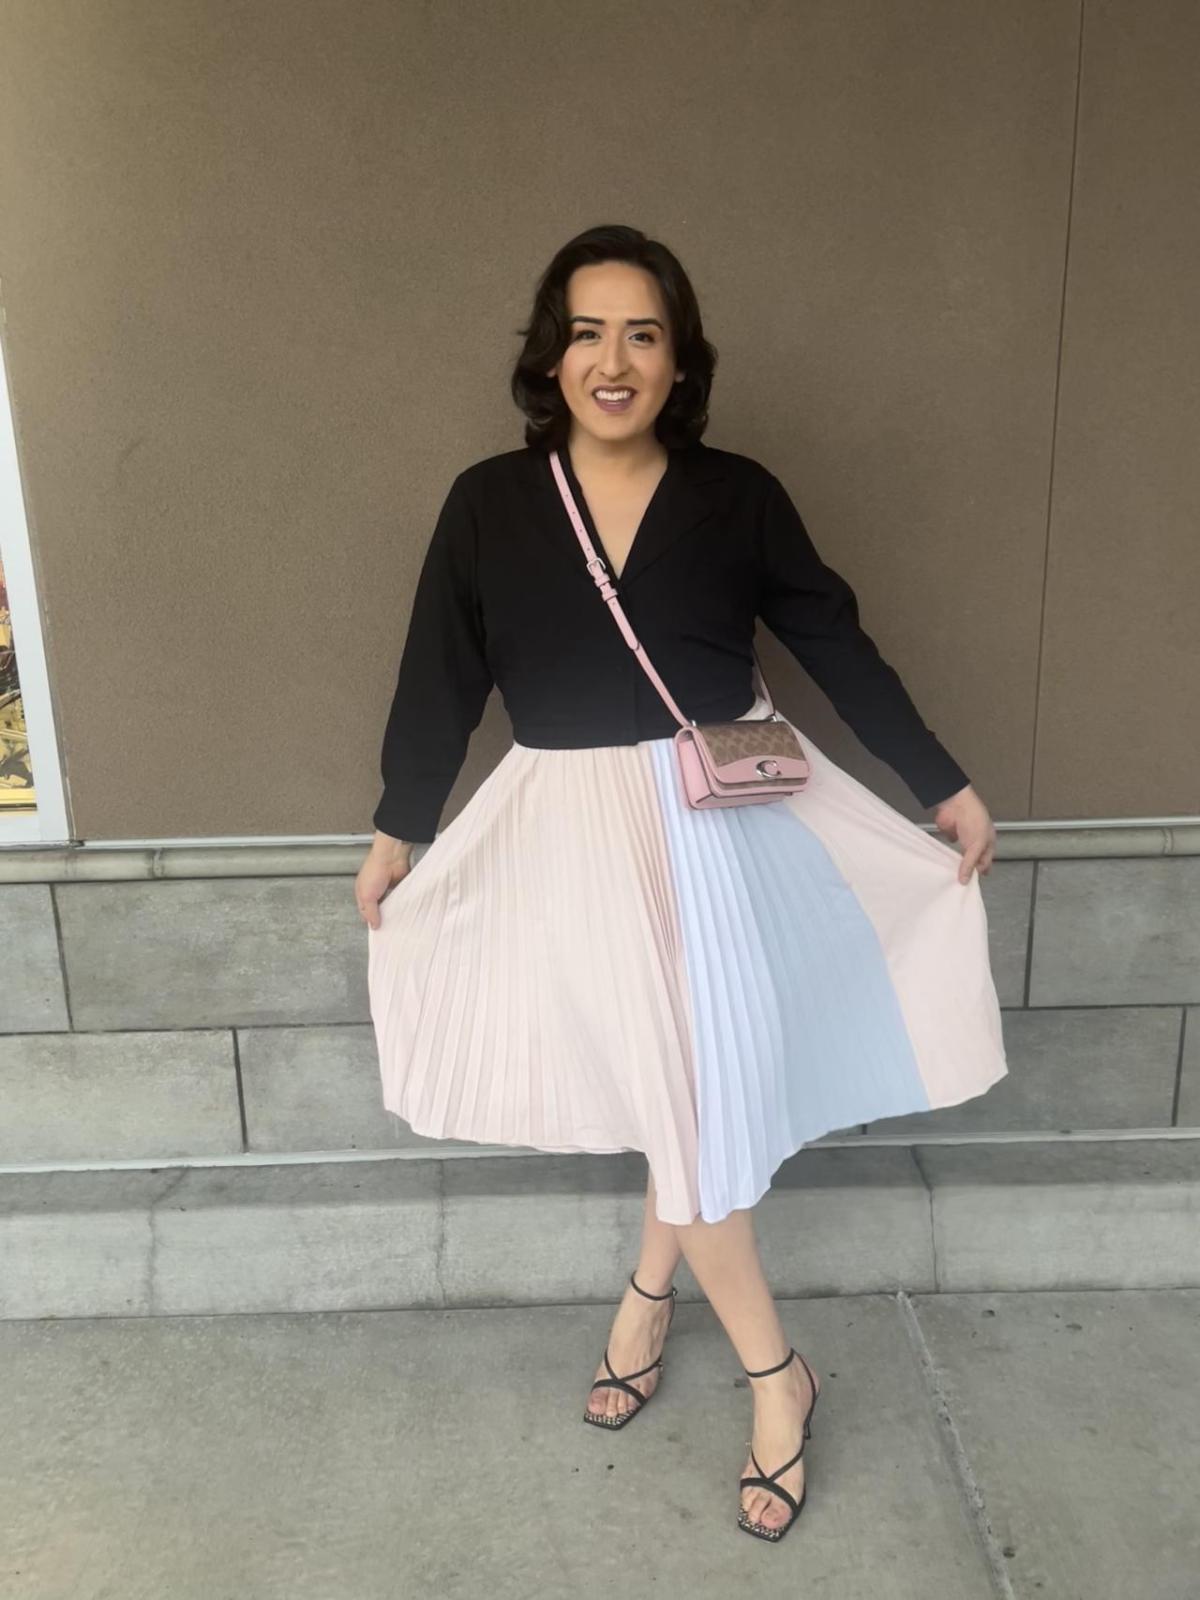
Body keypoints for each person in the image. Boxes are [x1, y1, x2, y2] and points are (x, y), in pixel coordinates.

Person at [355, 224, 1007, 1544]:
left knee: (692, 1094)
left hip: (724, 831)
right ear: (551, 357)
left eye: (643, 334)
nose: (614, 359)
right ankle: (734, 1340)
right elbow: (443, 672)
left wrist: (938, 781)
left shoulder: (738, 494)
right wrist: (398, 827)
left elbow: (833, 637)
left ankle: (731, 1348)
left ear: (677, 361)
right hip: (568, 836)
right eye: (588, 332)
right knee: (682, 1089)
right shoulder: (490, 501)